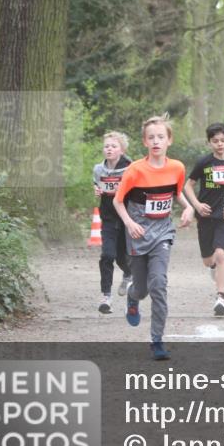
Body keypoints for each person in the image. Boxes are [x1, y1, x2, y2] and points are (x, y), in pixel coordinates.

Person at [113, 115, 194, 360]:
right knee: (142, 289)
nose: (156, 141)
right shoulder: (134, 170)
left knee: (158, 284)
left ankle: (157, 340)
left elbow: (177, 193)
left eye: (161, 137)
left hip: (162, 233)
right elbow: (118, 201)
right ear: (144, 142)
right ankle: (132, 297)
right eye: (151, 137)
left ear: (169, 140)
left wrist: (188, 207)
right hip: (138, 234)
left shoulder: (177, 167)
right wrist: (129, 223)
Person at [184, 123, 224, 316]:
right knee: (208, 260)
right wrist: (196, 206)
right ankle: (213, 267)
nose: (219, 144)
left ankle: (221, 297)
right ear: (209, 142)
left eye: (223, 140)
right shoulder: (204, 162)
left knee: (221, 255)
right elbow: (188, 185)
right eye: (215, 141)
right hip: (206, 215)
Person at [93, 131, 133, 313]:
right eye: (106, 146)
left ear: (122, 150)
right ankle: (106, 296)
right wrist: (98, 190)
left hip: (126, 217)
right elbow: (97, 184)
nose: (109, 149)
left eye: (113, 146)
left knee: (122, 256)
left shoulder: (130, 168)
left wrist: (124, 191)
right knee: (107, 256)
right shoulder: (98, 169)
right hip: (108, 218)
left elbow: (138, 191)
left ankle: (129, 273)